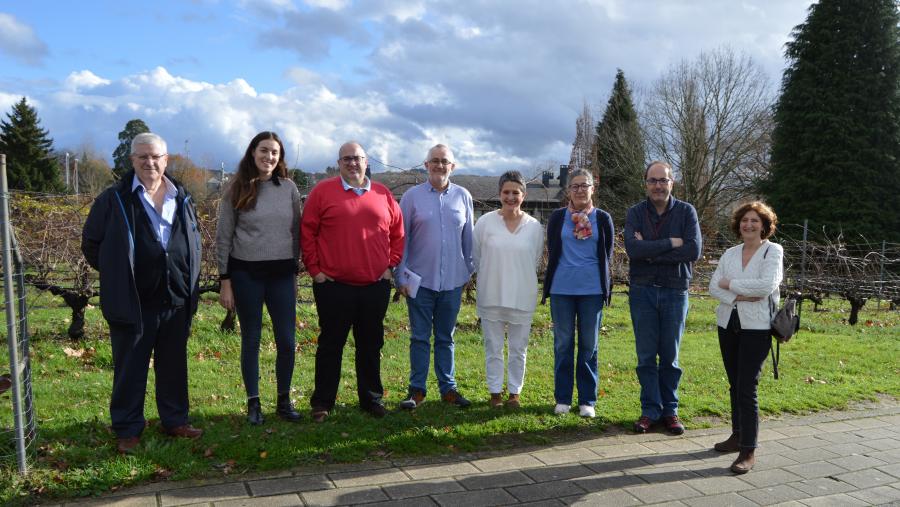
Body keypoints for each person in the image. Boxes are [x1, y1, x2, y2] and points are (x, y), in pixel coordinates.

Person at [82, 133, 202, 453]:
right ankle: (127, 428)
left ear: (166, 160)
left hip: (176, 299)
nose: (150, 163)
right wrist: (118, 275)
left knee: (174, 365)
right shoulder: (114, 199)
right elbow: (92, 245)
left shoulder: (182, 196)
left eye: (156, 157)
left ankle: (175, 420)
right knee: (130, 369)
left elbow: (194, 239)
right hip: (134, 302)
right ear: (132, 161)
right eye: (142, 157)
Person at [300, 141, 404, 421]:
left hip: (374, 285)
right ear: (339, 163)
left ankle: (371, 399)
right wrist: (316, 271)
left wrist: (391, 265)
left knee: (371, 344)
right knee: (330, 345)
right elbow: (307, 232)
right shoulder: (323, 191)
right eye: (346, 159)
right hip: (333, 285)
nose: (352, 163)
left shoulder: (382, 194)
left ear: (366, 161)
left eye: (357, 158)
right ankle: (322, 402)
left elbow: (398, 232)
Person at [216, 131, 302, 425]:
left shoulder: (288, 188)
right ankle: (254, 403)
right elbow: (224, 237)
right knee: (251, 339)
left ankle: (283, 400)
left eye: (275, 152)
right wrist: (225, 280)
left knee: (287, 341)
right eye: (264, 150)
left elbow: (297, 233)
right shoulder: (236, 188)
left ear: (280, 157)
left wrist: (294, 270)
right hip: (246, 274)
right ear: (253, 152)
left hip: (281, 275)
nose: (269, 157)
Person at [624, 160, 701, 435]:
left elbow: (693, 250)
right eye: (652, 181)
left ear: (672, 182)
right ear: (645, 184)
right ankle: (650, 410)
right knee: (646, 356)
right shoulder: (635, 212)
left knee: (670, 357)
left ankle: (670, 411)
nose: (658, 185)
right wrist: (671, 242)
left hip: (674, 289)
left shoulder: (686, 212)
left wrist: (650, 250)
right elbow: (633, 249)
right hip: (642, 291)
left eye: (663, 180)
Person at [396, 144, 475, 410]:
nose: (440, 165)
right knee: (419, 336)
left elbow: (469, 239)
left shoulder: (464, 196)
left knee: (446, 337)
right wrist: (400, 276)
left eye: (445, 161)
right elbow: (401, 238)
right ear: (426, 164)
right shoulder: (411, 197)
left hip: (453, 280)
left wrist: (468, 272)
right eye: (435, 161)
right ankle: (416, 390)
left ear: (452, 166)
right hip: (419, 281)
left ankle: (448, 389)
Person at [709, 201, 783, 474]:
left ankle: (748, 450)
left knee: (747, 386)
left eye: (754, 221)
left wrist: (731, 285)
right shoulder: (730, 253)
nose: (748, 225)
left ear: (764, 226)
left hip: (758, 327)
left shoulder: (772, 251)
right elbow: (713, 286)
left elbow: (767, 286)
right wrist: (741, 294)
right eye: (744, 220)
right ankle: (737, 435)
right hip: (728, 324)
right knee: (734, 383)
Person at [542, 169, 614, 418]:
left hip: (591, 291)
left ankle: (587, 400)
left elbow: (607, 254)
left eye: (585, 185)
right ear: (568, 190)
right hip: (562, 289)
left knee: (588, 346)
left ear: (593, 189)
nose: (580, 190)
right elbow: (552, 249)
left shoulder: (603, 218)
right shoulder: (557, 218)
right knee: (562, 345)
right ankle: (562, 398)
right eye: (575, 186)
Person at [473, 171, 543, 408]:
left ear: (523, 195)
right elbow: (477, 257)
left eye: (516, 192)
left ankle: (514, 392)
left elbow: (534, 259)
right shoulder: (484, 223)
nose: (511, 197)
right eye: (506, 192)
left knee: (518, 348)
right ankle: (495, 392)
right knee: (492, 347)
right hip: (491, 293)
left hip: (522, 295)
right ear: (500, 193)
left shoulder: (534, 226)